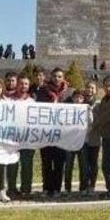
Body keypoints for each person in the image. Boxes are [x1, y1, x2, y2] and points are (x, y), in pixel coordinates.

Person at [36, 68, 73, 197]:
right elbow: (37, 109)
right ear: (51, 77)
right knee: (46, 162)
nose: (57, 79)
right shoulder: (43, 91)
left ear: (63, 78)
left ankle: (57, 188)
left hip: (61, 134)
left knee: (59, 162)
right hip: (46, 133)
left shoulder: (69, 93)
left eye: (59, 76)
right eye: (55, 76)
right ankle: (47, 188)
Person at [7, 74, 34, 199]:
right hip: (12, 138)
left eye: (26, 84)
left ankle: (26, 189)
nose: (23, 86)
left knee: (27, 164)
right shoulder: (9, 100)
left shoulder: (32, 101)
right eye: (21, 83)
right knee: (12, 164)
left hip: (27, 138)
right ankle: (11, 189)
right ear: (17, 84)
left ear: (28, 86)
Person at [78, 81, 100, 196]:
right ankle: (83, 186)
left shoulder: (99, 104)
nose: (89, 90)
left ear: (95, 90)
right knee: (83, 164)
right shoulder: (80, 104)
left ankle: (92, 186)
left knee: (93, 163)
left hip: (94, 138)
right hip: (82, 138)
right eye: (88, 87)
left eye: (92, 88)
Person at [63, 89, 86, 194]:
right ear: (72, 98)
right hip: (70, 142)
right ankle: (67, 188)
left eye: (81, 98)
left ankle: (83, 188)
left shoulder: (86, 109)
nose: (78, 99)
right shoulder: (67, 110)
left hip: (82, 141)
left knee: (83, 165)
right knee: (68, 166)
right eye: (76, 97)